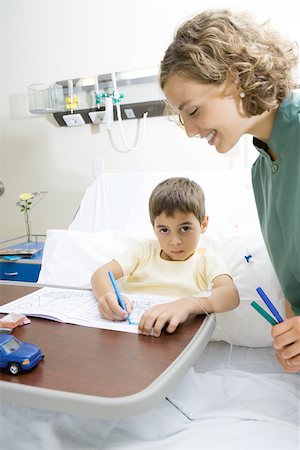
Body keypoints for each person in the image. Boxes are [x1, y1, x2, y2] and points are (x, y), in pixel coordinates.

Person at [159, 8, 300, 372]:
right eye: (182, 118)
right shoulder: (261, 172)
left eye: (192, 111)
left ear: (235, 77)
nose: (190, 130)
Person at [91, 177, 239, 337]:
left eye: (185, 228)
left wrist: (188, 304)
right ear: (153, 227)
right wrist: (107, 295)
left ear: (203, 224)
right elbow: (101, 274)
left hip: (173, 337)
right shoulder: (143, 251)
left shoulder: (205, 260)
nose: (175, 241)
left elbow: (230, 294)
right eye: (164, 230)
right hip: (126, 331)